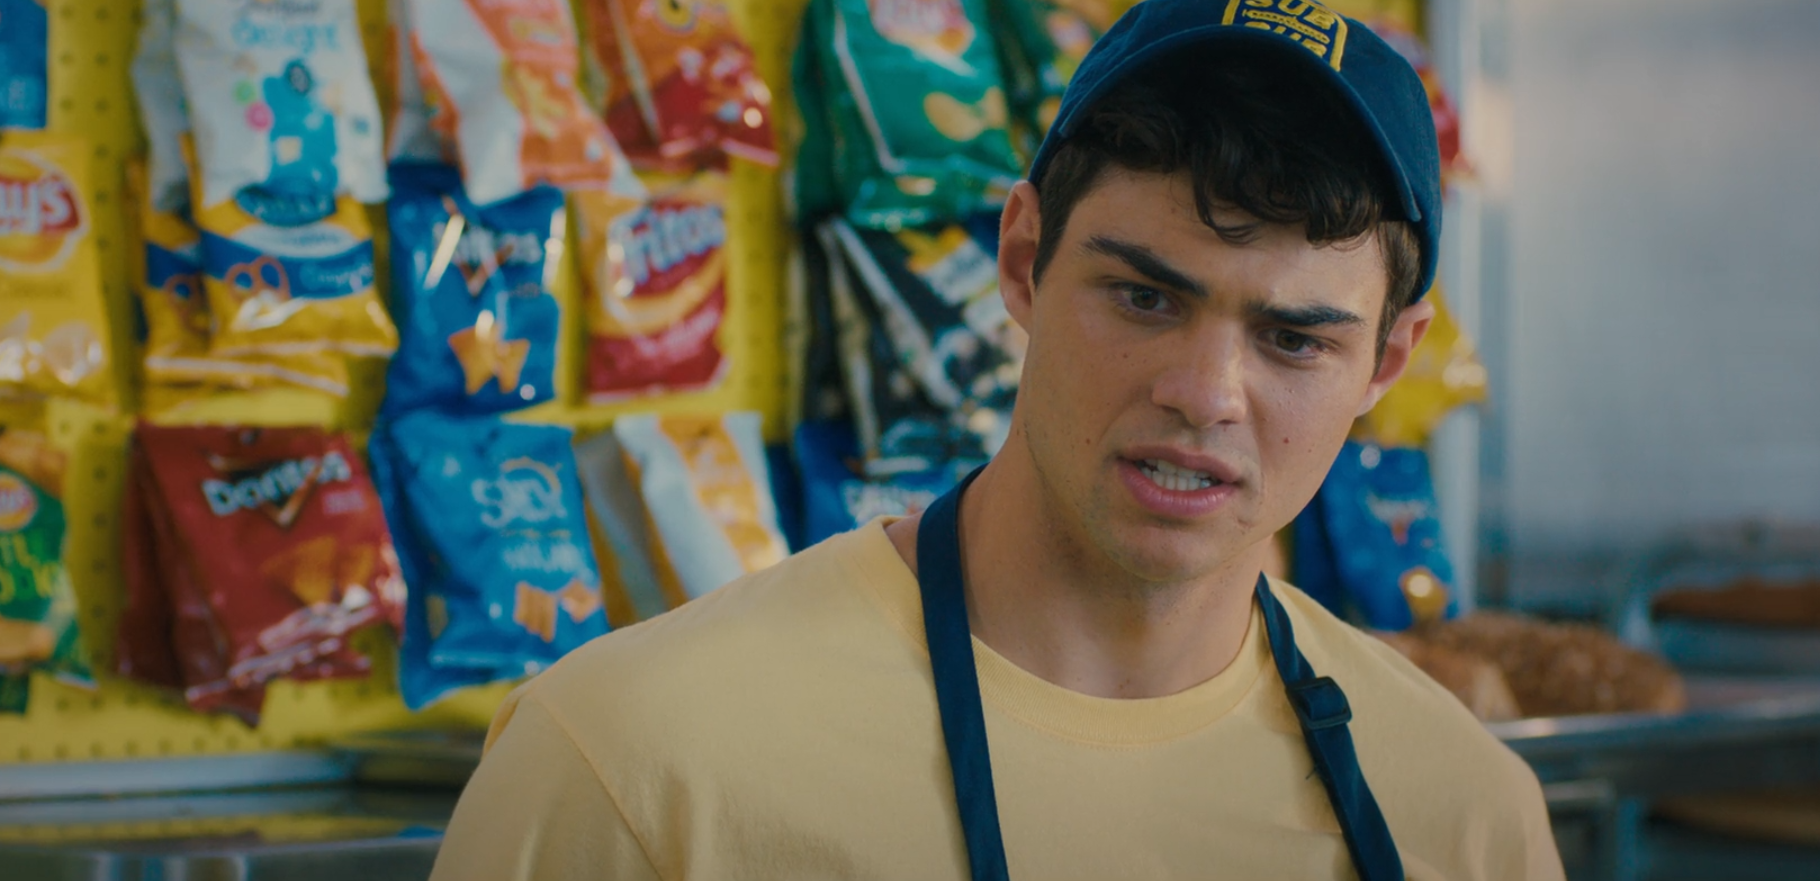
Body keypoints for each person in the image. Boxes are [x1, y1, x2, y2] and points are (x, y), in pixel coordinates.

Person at [429, 0, 1563, 877]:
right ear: (1021, 261)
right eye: (1144, 297)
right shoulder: (633, 766)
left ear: (1387, 362)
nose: (1203, 394)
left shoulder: (1465, 816)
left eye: (1294, 339)